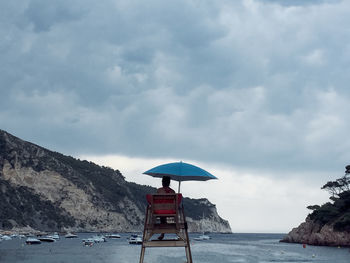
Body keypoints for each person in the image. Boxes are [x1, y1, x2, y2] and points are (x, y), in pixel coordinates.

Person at [156, 176, 175, 240]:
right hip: (170, 210)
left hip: (160, 210)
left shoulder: (159, 190)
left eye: (162, 181)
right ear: (169, 183)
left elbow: (156, 201)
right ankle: (163, 233)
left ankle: (162, 232)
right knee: (164, 212)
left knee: (162, 212)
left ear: (163, 182)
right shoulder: (173, 192)